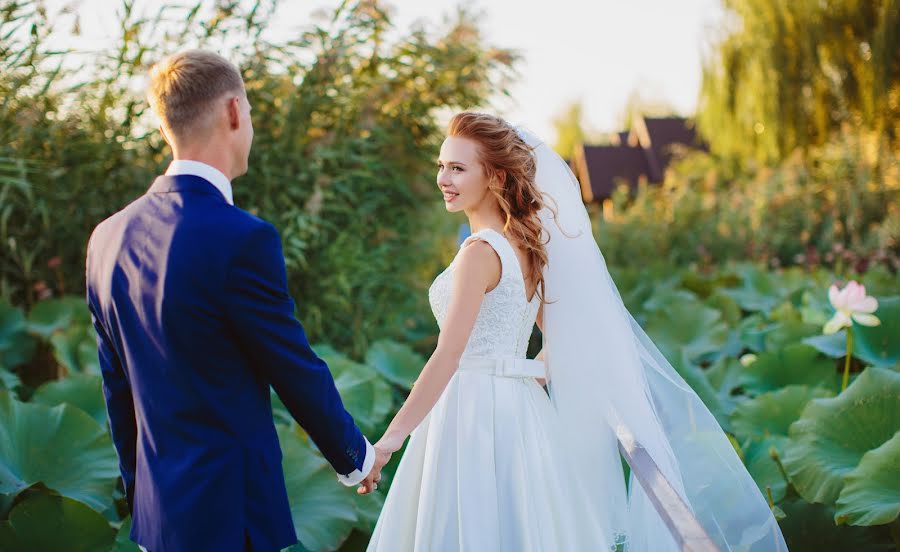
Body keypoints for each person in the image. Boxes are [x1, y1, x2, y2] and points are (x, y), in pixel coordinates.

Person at [365, 112, 789, 551]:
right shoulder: (524, 248)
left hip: (472, 416)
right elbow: (561, 339)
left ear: (493, 177)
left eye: (457, 167)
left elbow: (449, 355)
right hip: (521, 411)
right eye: (441, 165)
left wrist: (389, 441)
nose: (443, 178)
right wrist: (521, 370)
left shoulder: (478, 253)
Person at [85, 50, 389, 552]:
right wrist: (356, 456)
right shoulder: (240, 238)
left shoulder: (106, 238)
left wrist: (143, 500)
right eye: (248, 113)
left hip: (158, 521)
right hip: (231, 519)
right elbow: (292, 365)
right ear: (232, 112)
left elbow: (117, 389)